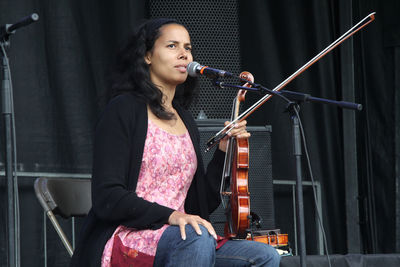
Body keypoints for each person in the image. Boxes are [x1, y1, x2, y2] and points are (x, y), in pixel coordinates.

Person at [70, 18, 280, 267]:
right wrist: (171, 215)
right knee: (196, 239)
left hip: (181, 237)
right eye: (172, 46)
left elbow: (196, 206)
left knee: (264, 256)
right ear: (147, 55)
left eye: (188, 47)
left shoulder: (185, 120)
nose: (184, 54)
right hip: (131, 235)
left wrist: (223, 152)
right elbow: (108, 197)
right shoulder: (123, 110)